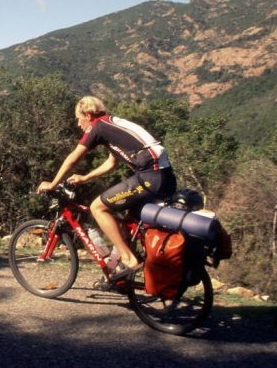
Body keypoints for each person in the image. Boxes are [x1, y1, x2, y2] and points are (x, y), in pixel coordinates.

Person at [36, 96, 177, 282]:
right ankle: (123, 275)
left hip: (150, 176)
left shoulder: (97, 126)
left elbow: (73, 158)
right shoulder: (113, 124)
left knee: (97, 207)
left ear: (88, 114)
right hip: (165, 177)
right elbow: (112, 162)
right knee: (125, 221)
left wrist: (52, 184)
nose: (78, 124)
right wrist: (85, 178)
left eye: (78, 118)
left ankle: (129, 260)